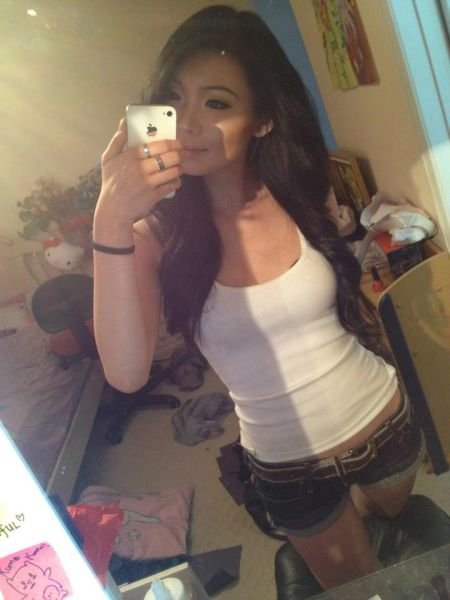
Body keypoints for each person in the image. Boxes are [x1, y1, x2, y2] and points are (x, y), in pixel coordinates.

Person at [93, 6, 425, 590]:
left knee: (391, 527)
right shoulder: (152, 235)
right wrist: (110, 218)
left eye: (216, 103)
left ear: (263, 119)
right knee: (365, 589)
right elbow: (125, 373)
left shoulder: (299, 187)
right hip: (290, 469)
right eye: (173, 99)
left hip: (388, 423)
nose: (187, 122)